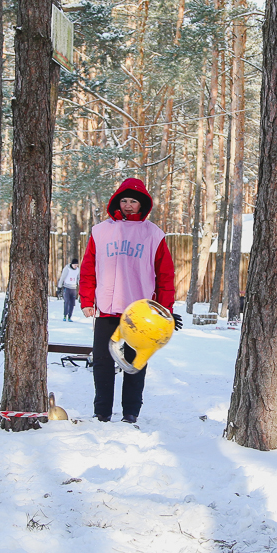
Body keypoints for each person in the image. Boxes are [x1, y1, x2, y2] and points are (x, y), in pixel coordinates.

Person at [79, 178, 181, 423]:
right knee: (102, 362)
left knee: (135, 363)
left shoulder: (153, 234)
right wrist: (86, 300)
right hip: (107, 308)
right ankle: (102, 411)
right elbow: (88, 268)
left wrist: (165, 310)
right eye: (123, 200)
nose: (127, 205)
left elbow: (165, 275)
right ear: (116, 202)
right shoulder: (100, 231)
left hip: (140, 313)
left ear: (142, 204)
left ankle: (131, 412)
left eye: (133, 201)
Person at [57, 257, 80, 322]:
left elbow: (78, 278)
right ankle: (65, 315)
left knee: (72, 303)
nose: (75, 266)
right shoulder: (67, 269)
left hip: (73, 288)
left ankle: (70, 316)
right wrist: (59, 287)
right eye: (74, 265)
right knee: (66, 301)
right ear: (72, 264)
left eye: (76, 265)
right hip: (67, 287)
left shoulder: (77, 270)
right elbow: (62, 277)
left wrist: (80, 286)